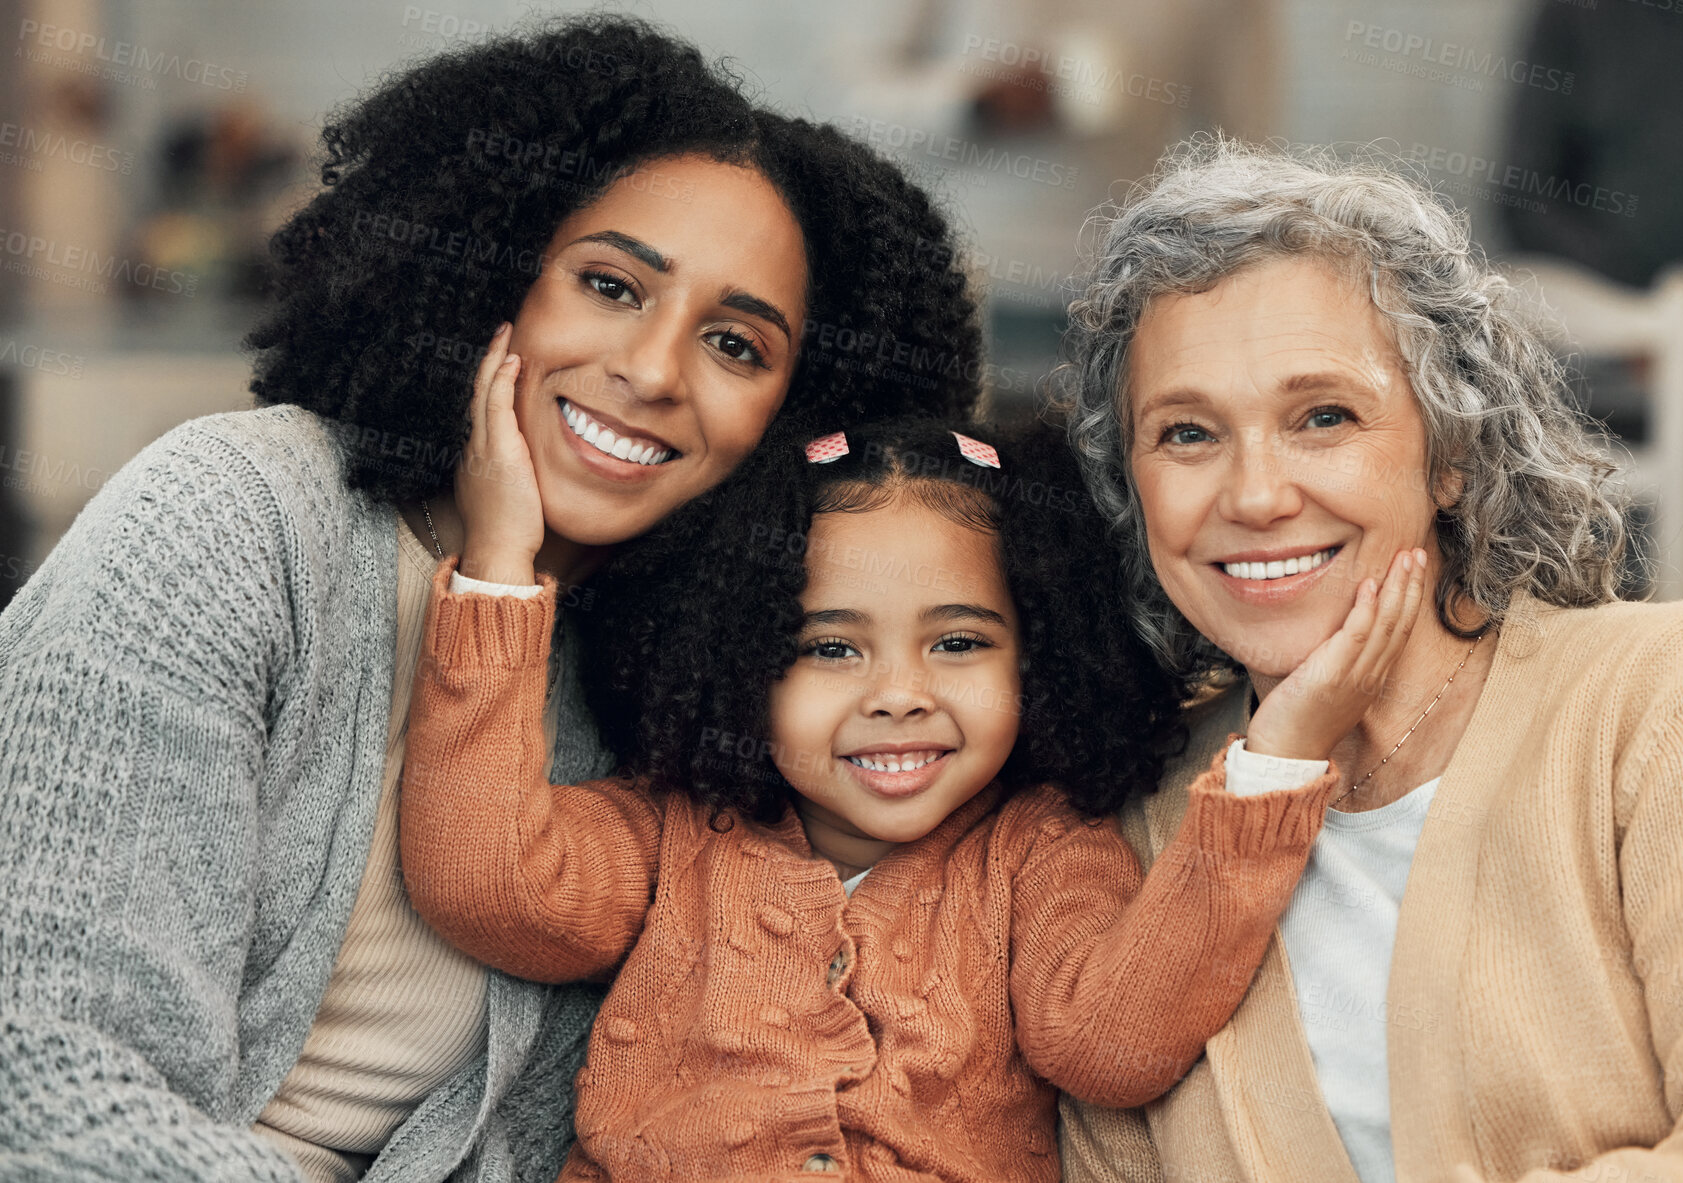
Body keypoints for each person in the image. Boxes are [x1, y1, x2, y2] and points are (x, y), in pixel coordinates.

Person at [0, 18, 984, 1183]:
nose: (656, 371)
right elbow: (43, 1087)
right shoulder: (235, 520)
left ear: (793, 412)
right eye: (611, 284)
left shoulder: (696, 685)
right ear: (490, 269)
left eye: (735, 344)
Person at [394, 382, 1434, 1179]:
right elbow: (488, 884)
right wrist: (499, 564)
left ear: (1038, 656)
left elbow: (1113, 1042)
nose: (900, 694)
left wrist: (1279, 757)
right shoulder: (679, 833)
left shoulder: (1039, 850)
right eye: (832, 649)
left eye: (960, 643)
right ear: (740, 657)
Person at [1054, 138, 1683, 1183]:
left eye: (1324, 417)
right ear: (1132, 487)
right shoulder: (1130, 836)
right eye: (1186, 433)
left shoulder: (1650, 708)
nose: (1256, 495)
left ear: (1449, 451)